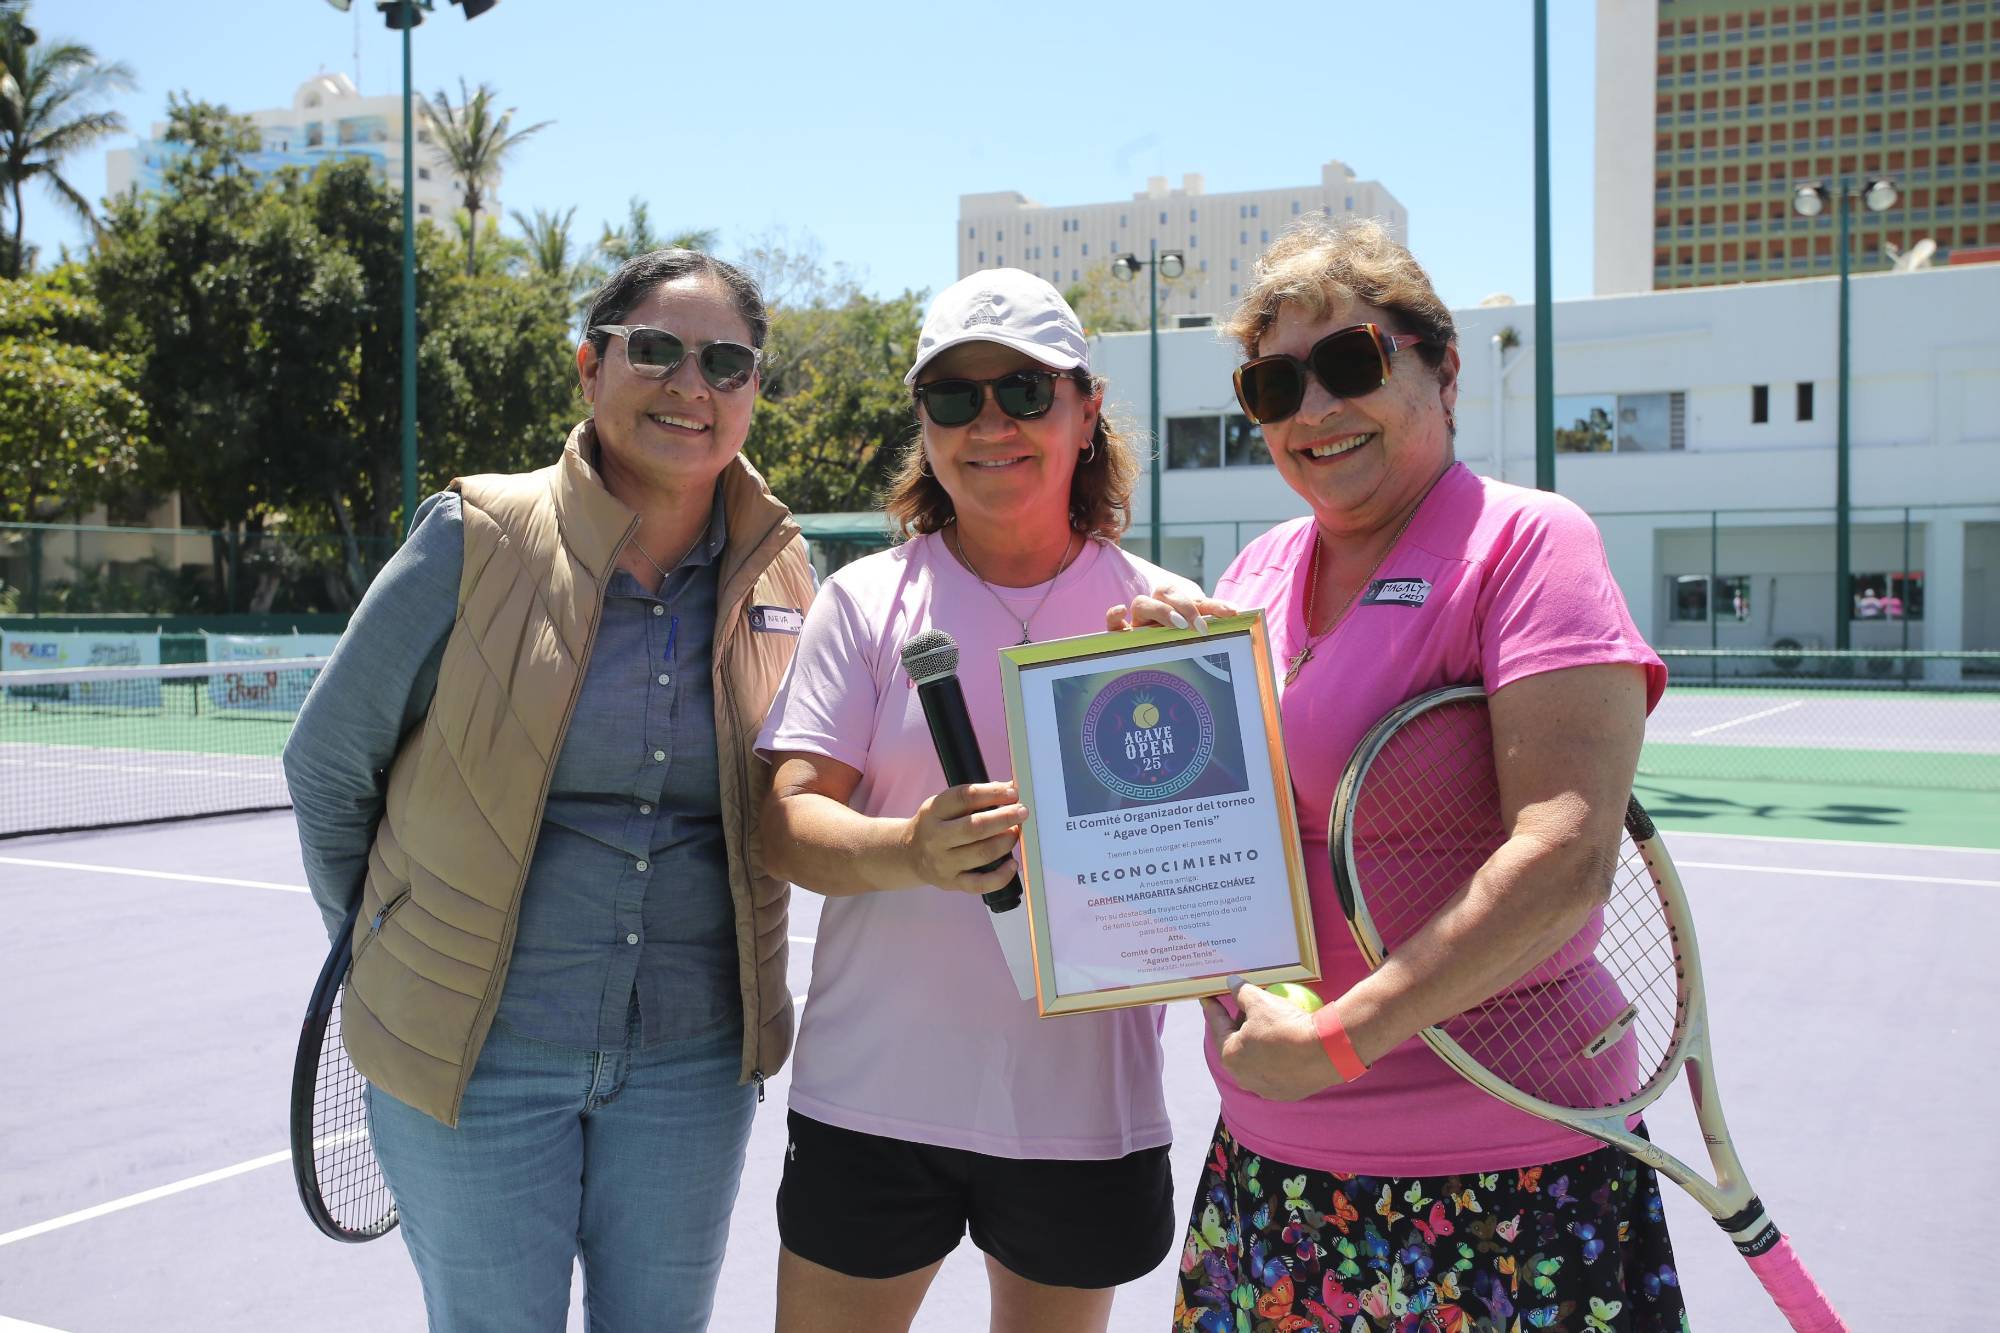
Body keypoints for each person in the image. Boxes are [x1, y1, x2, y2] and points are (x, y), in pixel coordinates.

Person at [1120, 219, 1689, 1330]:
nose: (1313, 410)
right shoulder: (1254, 572)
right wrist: (1161, 693)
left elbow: (1563, 860)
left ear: (1442, 370)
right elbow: (1219, 845)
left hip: (1504, 1169)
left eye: (1351, 363)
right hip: (1274, 1161)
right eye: (1273, 386)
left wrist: (1337, 1041)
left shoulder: (1531, 543)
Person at [283, 249, 814, 1332]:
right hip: (479, 1062)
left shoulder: (784, 572)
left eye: (725, 363)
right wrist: (389, 939)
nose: (690, 385)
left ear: (753, 389)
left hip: (693, 1063)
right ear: (589, 367)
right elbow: (328, 763)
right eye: (655, 351)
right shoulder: (472, 537)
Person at [756, 269, 1194, 1333]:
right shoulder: (864, 598)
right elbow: (786, 821)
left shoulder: (1165, 617)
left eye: (1025, 391)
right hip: (873, 1099)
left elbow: (1216, 874)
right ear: (924, 422)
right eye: (954, 397)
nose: (989, 423)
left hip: (1081, 1112)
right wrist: (909, 849)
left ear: (1086, 410)